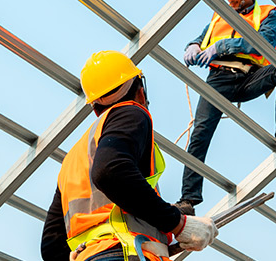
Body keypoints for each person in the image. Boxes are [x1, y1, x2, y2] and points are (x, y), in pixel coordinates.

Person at [41, 50, 218, 261]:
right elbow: (111, 172)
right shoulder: (130, 112)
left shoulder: (73, 160)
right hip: (127, 253)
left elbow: (51, 246)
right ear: (140, 91)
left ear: (95, 107)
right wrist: (178, 224)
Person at [176, 0, 276, 214]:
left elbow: (264, 42)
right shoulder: (219, 14)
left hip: (248, 77)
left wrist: (222, 46)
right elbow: (202, 38)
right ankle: (188, 200)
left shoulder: (268, 13)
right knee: (200, 133)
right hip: (218, 79)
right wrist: (193, 45)